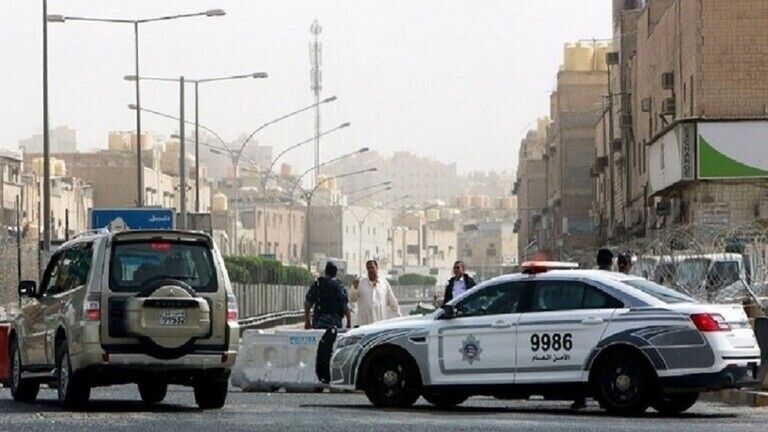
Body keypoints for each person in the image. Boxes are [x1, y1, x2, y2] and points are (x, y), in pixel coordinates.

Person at [350, 260, 401, 326]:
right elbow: (353, 298)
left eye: (372, 267)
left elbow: (393, 303)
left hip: (380, 324)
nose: (370, 270)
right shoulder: (361, 283)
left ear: (377, 268)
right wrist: (355, 288)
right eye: (368, 268)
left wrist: (399, 317)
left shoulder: (384, 283)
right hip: (364, 324)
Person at [304, 261, 352, 330]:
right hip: (335, 324)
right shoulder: (339, 286)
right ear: (335, 273)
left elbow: (307, 304)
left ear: (325, 271)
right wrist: (348, 323)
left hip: (319, 323)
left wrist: (307, 321)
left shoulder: (318, 284)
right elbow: (345, 306)